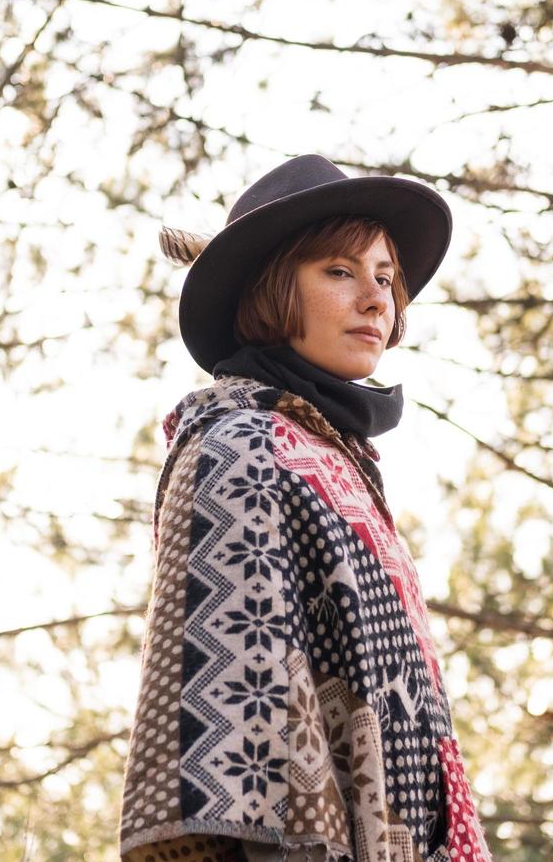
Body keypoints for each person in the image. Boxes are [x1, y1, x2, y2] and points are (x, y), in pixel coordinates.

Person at [119, 155, 493, 862]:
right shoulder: (241, 447)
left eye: (385, 278)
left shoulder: (340, 466)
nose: (377, 299)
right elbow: (234, 739)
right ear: (269, 292)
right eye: (340, 272)